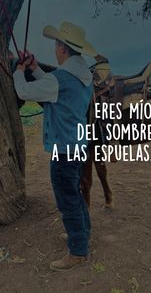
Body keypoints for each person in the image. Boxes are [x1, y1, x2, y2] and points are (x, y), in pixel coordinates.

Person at [13, 22, 98, 271]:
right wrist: (36, 68)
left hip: (63, 150)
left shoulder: (60, 80)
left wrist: (20, 70)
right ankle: (83, 232)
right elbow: (52, 85)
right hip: (78, 147)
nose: (55, 50)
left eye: (56, 46)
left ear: (62, 48)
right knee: (76, 193)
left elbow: (24, 90)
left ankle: (78, 251)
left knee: (67, 200)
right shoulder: (83, 77)